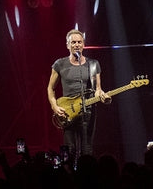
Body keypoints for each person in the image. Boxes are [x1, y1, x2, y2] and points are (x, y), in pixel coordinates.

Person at [47, 29, 110, 161]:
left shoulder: (93, 64)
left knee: (87, 149)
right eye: (73, 42)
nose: (76, 45)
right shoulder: (60, 64)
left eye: (79, 42)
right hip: (68, 111)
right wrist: (54, 106)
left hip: (87, 111)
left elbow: (97, 89)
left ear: (83, 44)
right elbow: (50, 88)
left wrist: (103, 95)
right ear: (67, 45)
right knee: (69, 149)